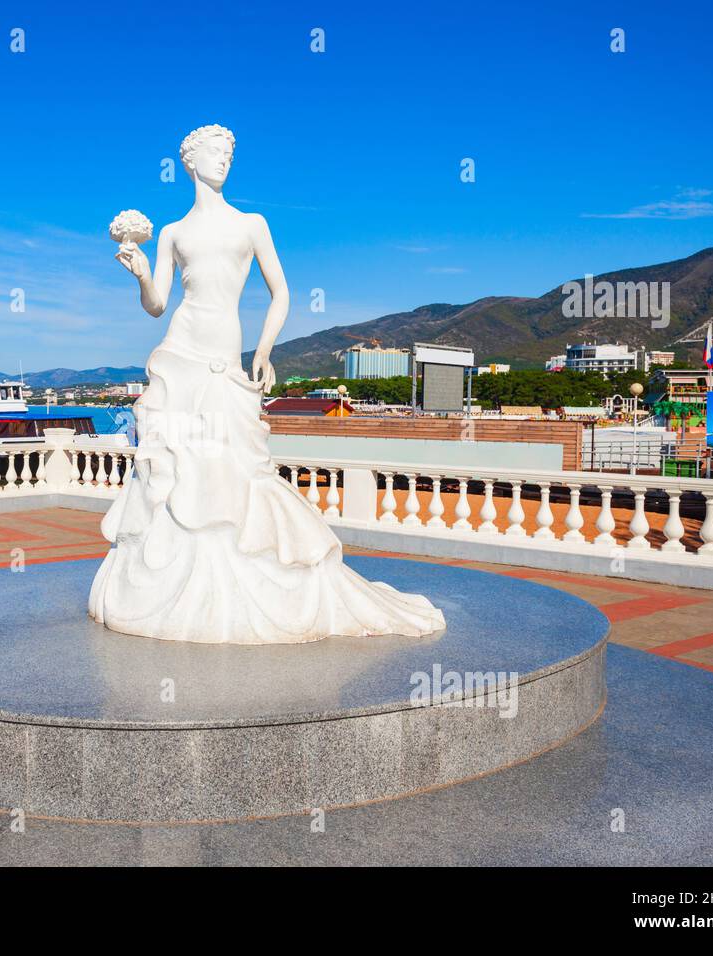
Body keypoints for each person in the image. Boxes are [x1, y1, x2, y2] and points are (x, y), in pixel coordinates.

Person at [88, 124, 445, 644]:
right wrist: (141, 272)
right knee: (180, 462)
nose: (224, 161)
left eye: (230, 154)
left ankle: (230, 579)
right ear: (190, 160)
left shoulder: (251, 223)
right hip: (179, 349)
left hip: (222, 353)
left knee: (231, 461)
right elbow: (158, 305)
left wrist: (263, 349)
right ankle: (176, 584)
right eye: (215, 152)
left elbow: (281, 293)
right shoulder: (171, 233)